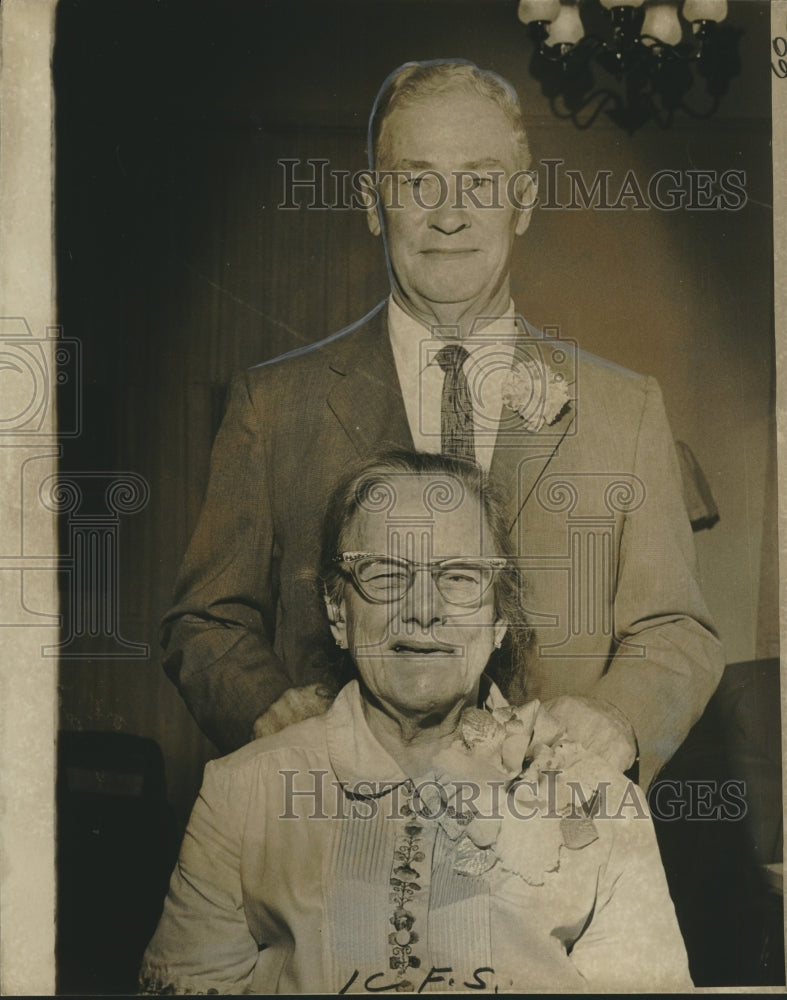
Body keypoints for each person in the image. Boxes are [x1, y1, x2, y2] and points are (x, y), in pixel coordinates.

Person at [161, 58, 724, 788]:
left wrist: (616, 719)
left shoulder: (626, 408)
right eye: (416, 181)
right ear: (372, 202)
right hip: (336, 838)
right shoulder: (271, 405)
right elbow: (205, 620)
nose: (449, 214)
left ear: (522, 202)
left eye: (481, 182)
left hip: (549, 842)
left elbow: (674, 629)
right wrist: (264, 711)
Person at [141, 450, 692, 994]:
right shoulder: (242, 793)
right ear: (338, 613)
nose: (423, 607)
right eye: (384, 573)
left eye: (459, 576)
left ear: (500, 617)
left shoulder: (601, 804)